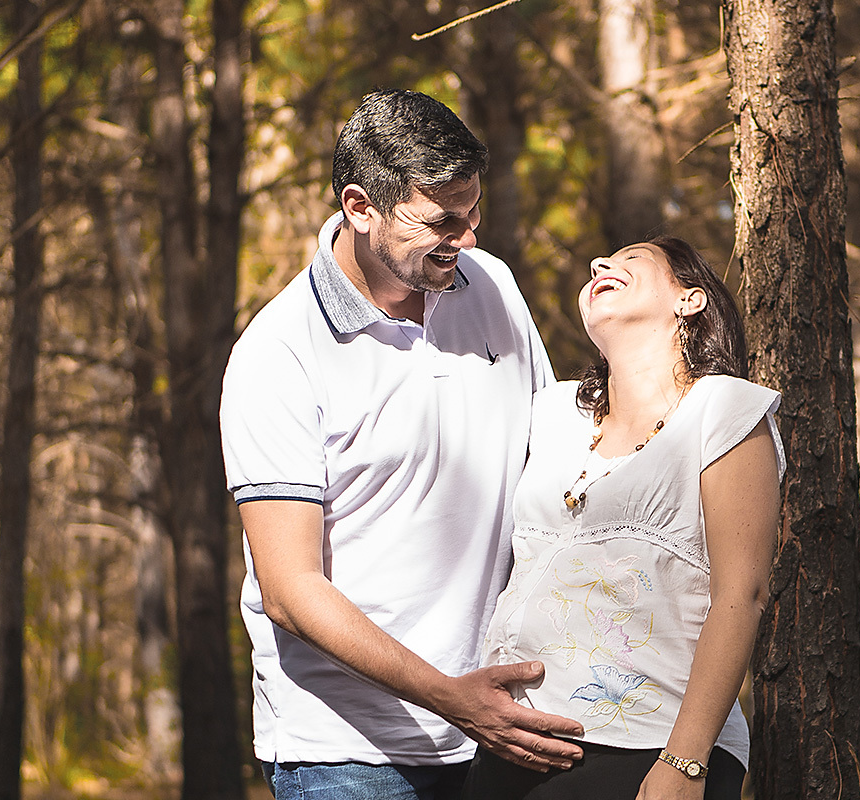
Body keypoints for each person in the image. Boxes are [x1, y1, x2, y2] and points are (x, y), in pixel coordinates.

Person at [219, 89, 585, 800]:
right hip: (348, 753)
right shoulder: (279, 353)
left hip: (501, 728)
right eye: (442, 220)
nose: (469, 238)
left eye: (474, 213)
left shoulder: (493, 287)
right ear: (361, 207)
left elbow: (554, 460)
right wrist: (451, 697)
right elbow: (291, 591)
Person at [463, 236, 785, 800]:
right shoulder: (553, 412)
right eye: (600, 261)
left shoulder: (724, 409)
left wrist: (684, 762)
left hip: (649, 745)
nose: (599, 264)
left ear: (689, 301)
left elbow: (744, 593)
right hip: (510, 739)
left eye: (632, 259)